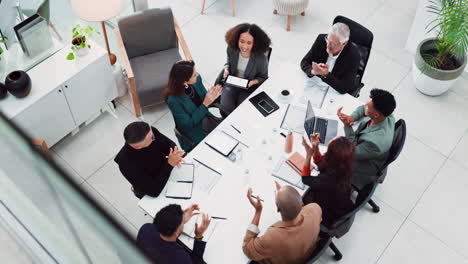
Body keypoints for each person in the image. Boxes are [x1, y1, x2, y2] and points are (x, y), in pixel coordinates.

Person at [243, 183, 322, 264]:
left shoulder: (273, 237)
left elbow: (247, 248)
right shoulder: (315, 208)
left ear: (277, 209)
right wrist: (287, 198)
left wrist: (258, 211)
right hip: (305, 254)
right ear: (301, 203)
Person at [337, 88, 396, 188]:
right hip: (365, 150)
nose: (365, 107)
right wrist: (352, 117)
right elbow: (362, 109)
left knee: (333, 156)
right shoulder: (387, 114)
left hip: (364, 165)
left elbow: (352, 151)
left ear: (376, 115)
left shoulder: (375, 142)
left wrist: (347, 126)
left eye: (368, 107)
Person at [114, 121, 185, 198]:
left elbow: (168, 144)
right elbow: (153, 191)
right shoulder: (125, 163)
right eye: (152, 138)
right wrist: (169, 164)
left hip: (166, 171)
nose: (154, 136)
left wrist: (175, 154)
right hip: (152, 188)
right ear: (139, 146)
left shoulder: (150, 132)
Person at [164, 60, 223, 152]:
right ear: (184, 82)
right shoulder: (173, 100)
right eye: (194, 75)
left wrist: (213, 95)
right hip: (194, 130)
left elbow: (205, 98)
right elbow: (187, 125)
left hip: (206, 118)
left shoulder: (197, 80)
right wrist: (205, 104)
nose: (197, 75)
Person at [301, 133, 355, 227]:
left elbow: (305, 179)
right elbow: (320, 162)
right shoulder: (345, 166)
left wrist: (308, 155)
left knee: (299, 197)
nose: (330, 140)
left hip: (326, 214)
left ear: (330, 155)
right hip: (338, 202)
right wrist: (316, 146)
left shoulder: (326, 180)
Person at [218, 23, 271, 115]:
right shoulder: (231, 49)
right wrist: (226, 69)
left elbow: (264, 78)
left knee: (242, 112)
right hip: (232, 82)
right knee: (225, 109)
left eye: (249, 43)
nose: (244, 47)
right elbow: (228, 63)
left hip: (248, 87)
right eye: (241, 41)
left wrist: (253, 82)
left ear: (255, 43)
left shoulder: (261, 59)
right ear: (237, 40)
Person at [137, 204, 211, 264]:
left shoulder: (146, 228)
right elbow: (196, 261)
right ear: (176, 233)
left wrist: (179, 221)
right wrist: (198, 236)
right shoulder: (180, 258)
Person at [300, 22, 360, 94]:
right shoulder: (321, 39)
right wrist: (313, 71)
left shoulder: (353, 56)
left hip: (332, 91)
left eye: (333, 44)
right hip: (313, 86)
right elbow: (304, 62)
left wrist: (326, 75)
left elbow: (344, 88)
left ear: (344, 43)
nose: (328, 46)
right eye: (328, 40)